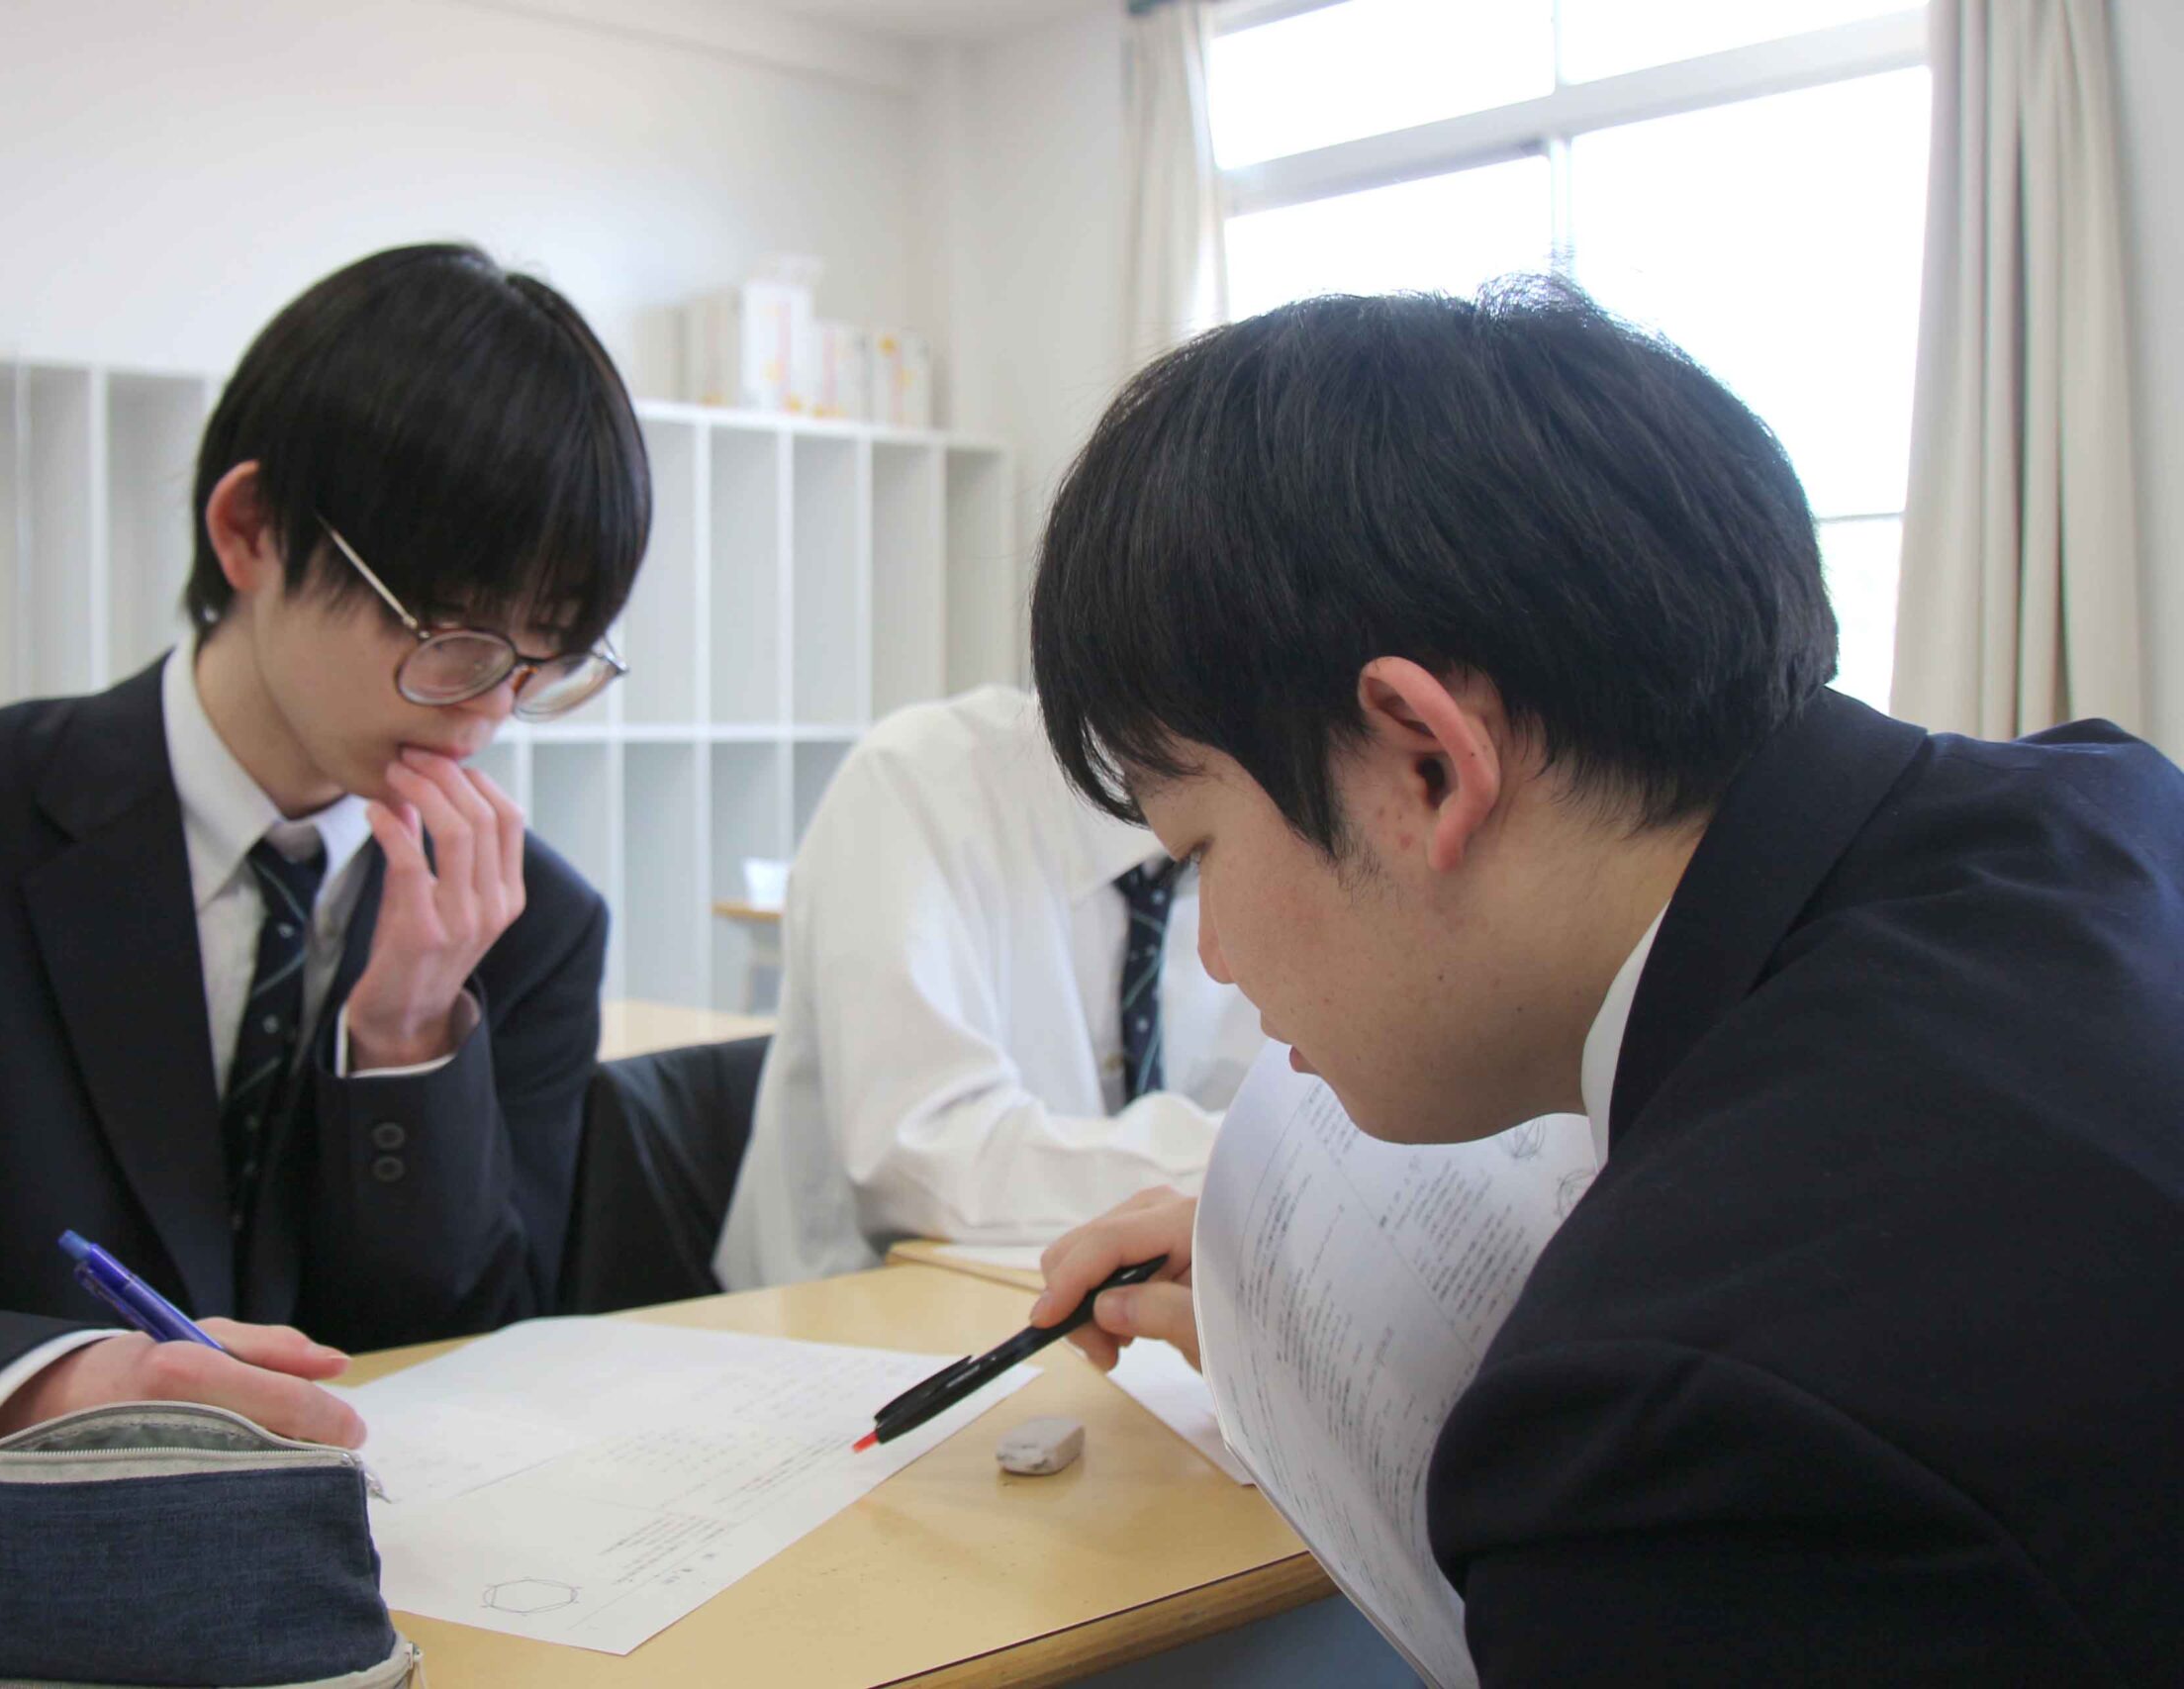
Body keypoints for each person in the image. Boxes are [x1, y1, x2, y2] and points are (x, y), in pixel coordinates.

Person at [1026, 280, 2183, 1683]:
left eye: (1200, 844)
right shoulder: (2104, 810)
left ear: (1424, 763)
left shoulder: (1658, 1445)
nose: (1212, 948)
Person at [0, 243, 649, 1475]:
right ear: (251, 531)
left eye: (546, 656)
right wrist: (77, 1388)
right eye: (447, 631)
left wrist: (406, 1045)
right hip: (6, 1556)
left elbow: (485, 1358)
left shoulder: (529, 922)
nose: (488, 706)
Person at [713, 684, 1261, 1289]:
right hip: (843, 1311)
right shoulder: (913, 783)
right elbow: (926, 1163)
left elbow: (1287, 1108)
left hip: (1127, 1306)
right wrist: (1250, 1169)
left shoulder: (1275, 837)